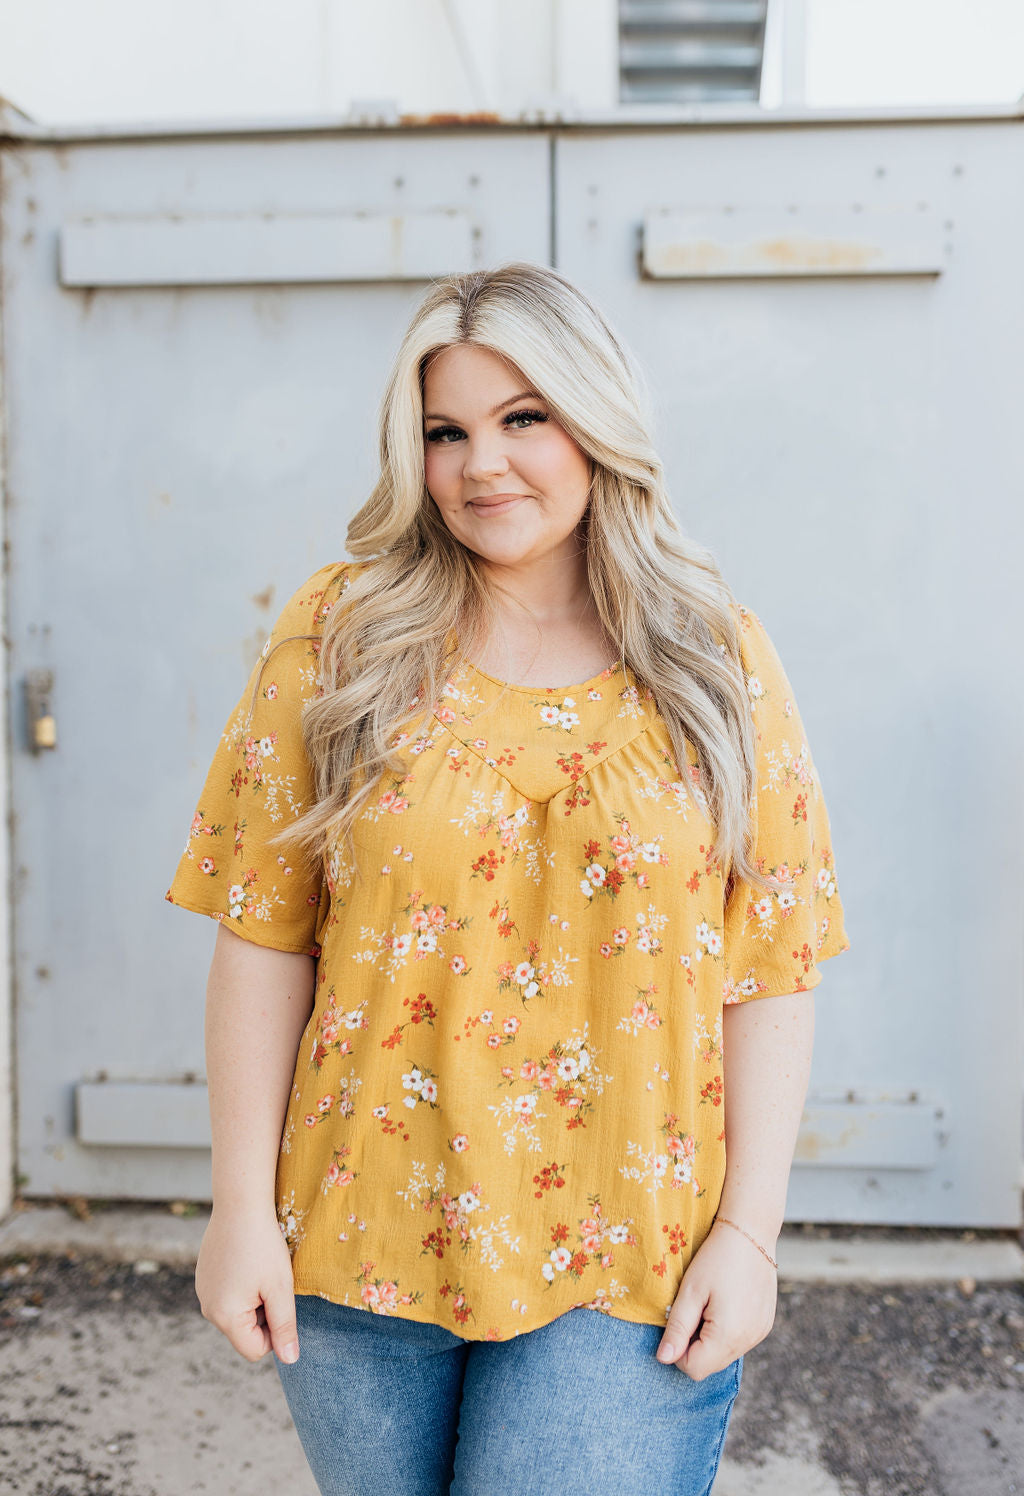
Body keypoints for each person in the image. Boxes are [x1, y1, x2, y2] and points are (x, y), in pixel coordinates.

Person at [164, 261, 850, 1496]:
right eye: (446, 432)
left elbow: (771, 965)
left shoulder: (714, 660)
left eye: (522, 418)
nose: (483, 464)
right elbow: (264, 934)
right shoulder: (340, 636)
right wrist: (236, 1211)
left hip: (627, 1253)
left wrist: (751, 1235)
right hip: (359, 1232)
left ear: (596, 419)